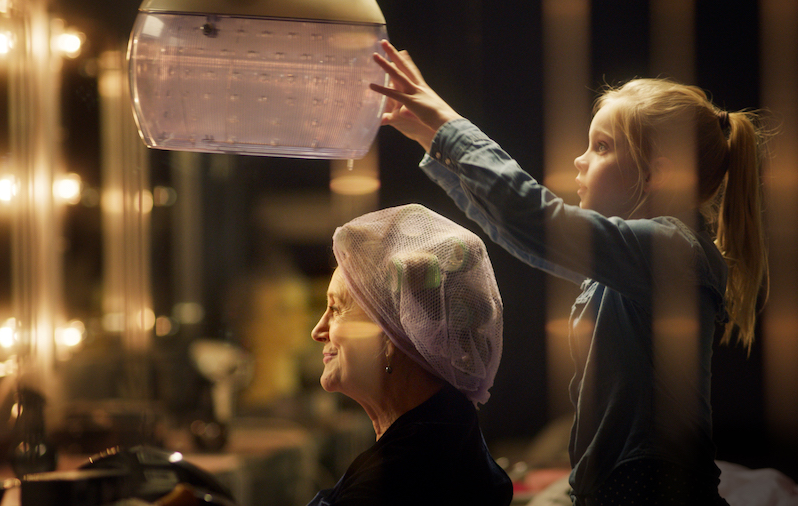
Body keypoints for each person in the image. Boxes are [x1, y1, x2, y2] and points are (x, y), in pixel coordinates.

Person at [369, 40, 768, 506]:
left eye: (601, 147)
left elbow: (534, 221)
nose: (580, 160)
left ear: (657, 175)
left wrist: (448, 128)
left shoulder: (673, 250)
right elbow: (519, 230)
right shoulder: (642, 257)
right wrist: (432, 140)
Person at [307, 203, 513, 506]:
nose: (318, 330)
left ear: (393, 335)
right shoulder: (446, 428)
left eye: (336, 309)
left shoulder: (396, 481)